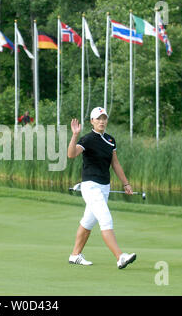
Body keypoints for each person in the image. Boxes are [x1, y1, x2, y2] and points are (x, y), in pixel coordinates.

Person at [67, 107, 136, 269]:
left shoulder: (111, 140)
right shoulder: (87, 139)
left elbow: (115, 164)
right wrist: (75, 135)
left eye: (104, 118)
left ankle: (75, 255)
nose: (102, 121)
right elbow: (71, 154)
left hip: (105, 186)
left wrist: (126, 183)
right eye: (98, 119)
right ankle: (120, 257)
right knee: (105, 219)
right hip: (91, 186)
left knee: (88, 222)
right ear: (92, 121)